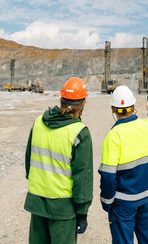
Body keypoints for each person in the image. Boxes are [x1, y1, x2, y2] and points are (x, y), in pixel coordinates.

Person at [24, 77, 93, 244]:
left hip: (37, 202)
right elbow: (82, 178)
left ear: (61, 99)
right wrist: (82, 212)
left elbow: (29, 163)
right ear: (82, 103)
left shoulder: (39, 122)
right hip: (63, 208)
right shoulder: (79, 133)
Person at [99, 85, 148, 244]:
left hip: (123, 204)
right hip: (147, 199)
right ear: (134, 107)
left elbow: (108, 177)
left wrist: (107, 202)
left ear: (113, 109)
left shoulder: (113, 137)